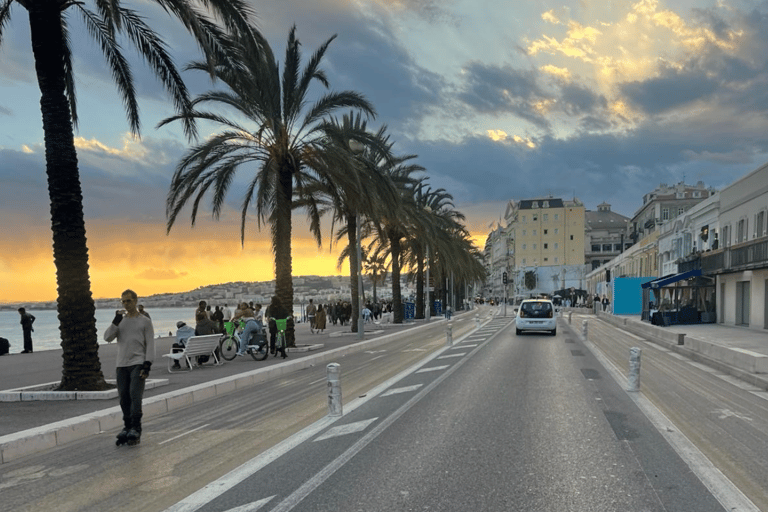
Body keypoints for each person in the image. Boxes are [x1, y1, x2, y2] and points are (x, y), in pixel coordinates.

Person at [104, 289, 155, 445]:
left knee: (135, 395)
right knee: (124, 397)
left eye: (129, 301)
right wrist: (115, 322)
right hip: (122, 364)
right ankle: (126, 427)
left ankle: (136, 428)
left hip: (138, 363)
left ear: (136, 301)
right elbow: (107, 338)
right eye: (123, 301)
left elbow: (150, 344)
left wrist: (147, 364)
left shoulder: (144, 321)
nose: (126, 304)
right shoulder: (120, 321)